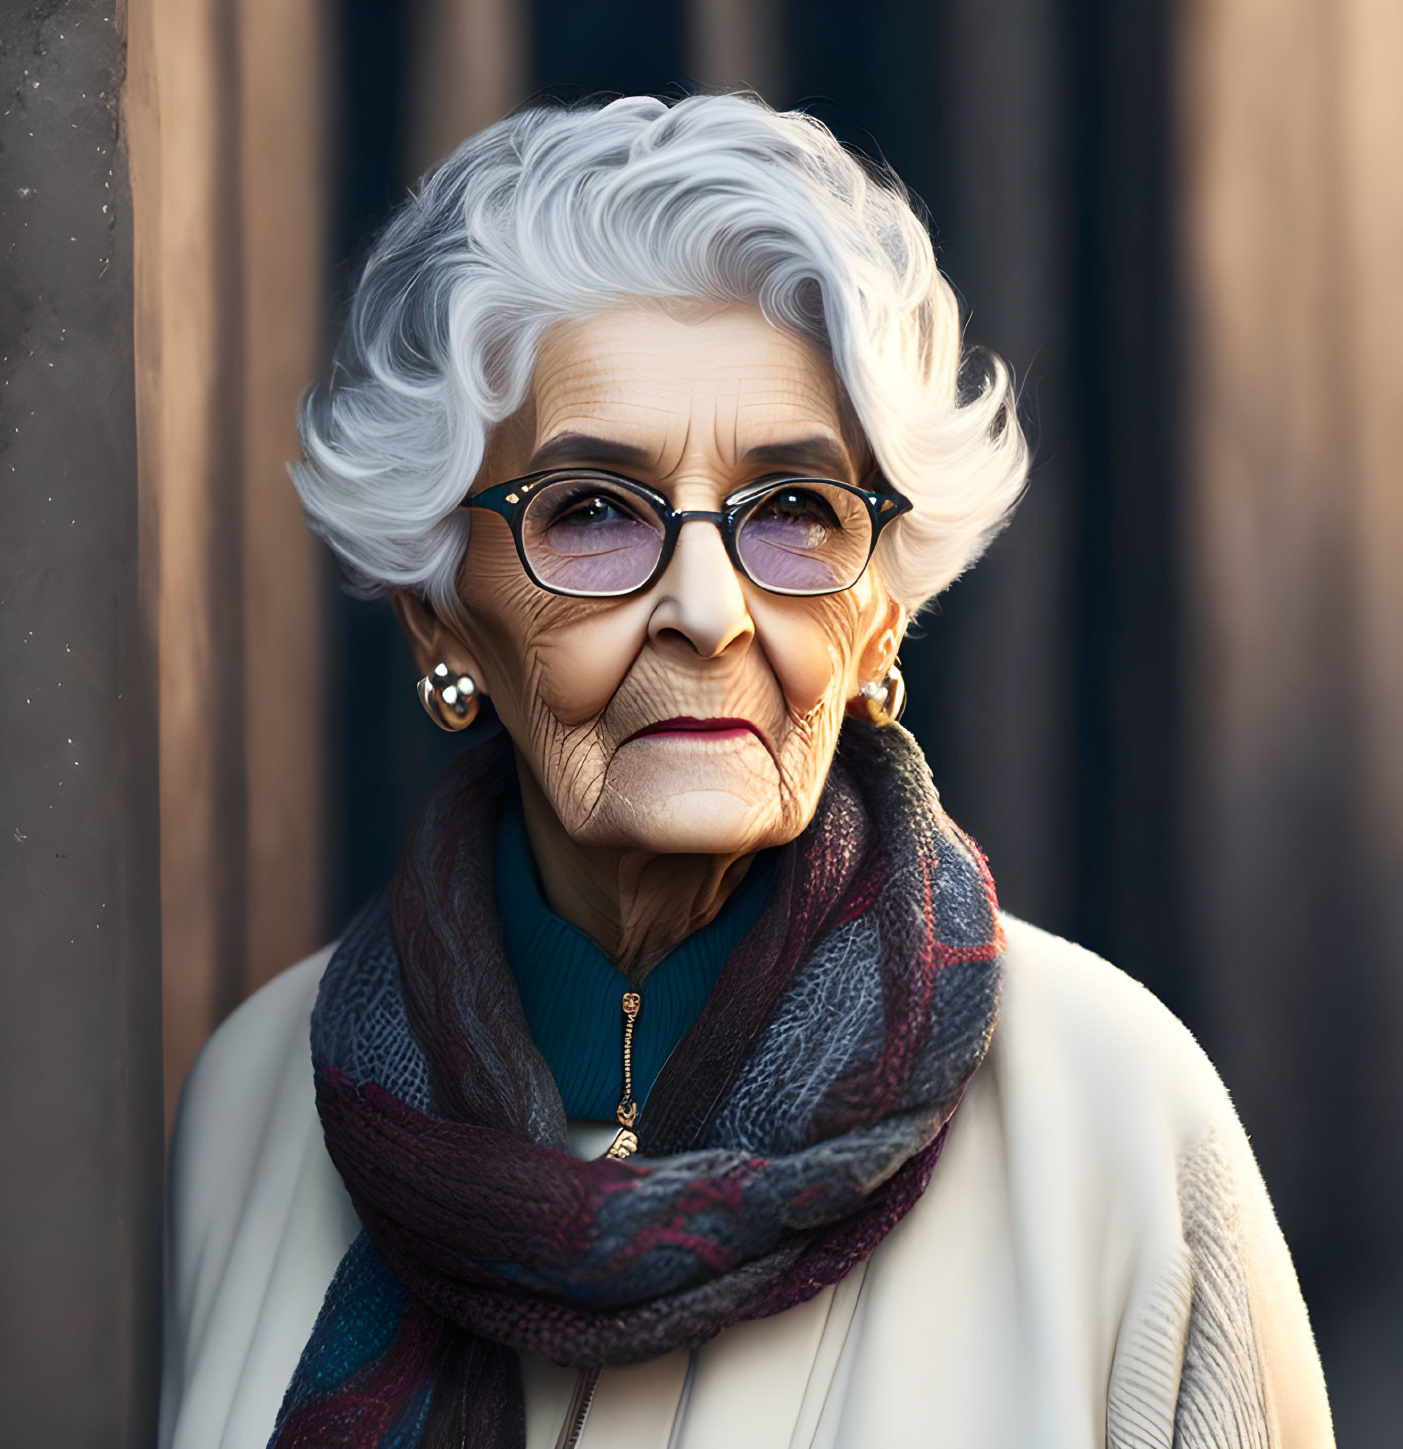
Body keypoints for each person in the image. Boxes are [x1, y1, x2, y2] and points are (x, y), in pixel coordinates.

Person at [158, 93, 1333, 1449]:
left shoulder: (1113, 1117)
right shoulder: (255, 1107)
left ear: (881, 610)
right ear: (439, 612)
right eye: (592, 511)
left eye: (792, 510)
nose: (708, 610)